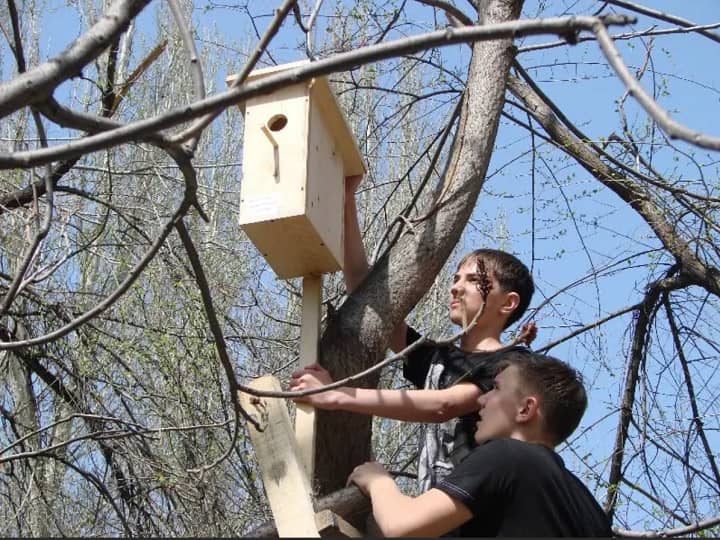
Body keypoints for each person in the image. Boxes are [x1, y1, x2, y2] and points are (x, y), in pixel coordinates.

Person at [289, 174, 536, 492]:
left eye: (473, 280)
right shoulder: (438, 362)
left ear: (508, 303)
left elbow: (444, 405)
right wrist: (347, 203)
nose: (455, 286)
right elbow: (368, 297)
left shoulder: (513, 364)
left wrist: (335, 394)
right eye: (456, 277)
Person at [347, 351, 613, 537]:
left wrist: (377, 480)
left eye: (495, 389)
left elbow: (402, 526)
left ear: (525, 408)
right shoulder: (590, 511)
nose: (482, 401)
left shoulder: (507, 456)